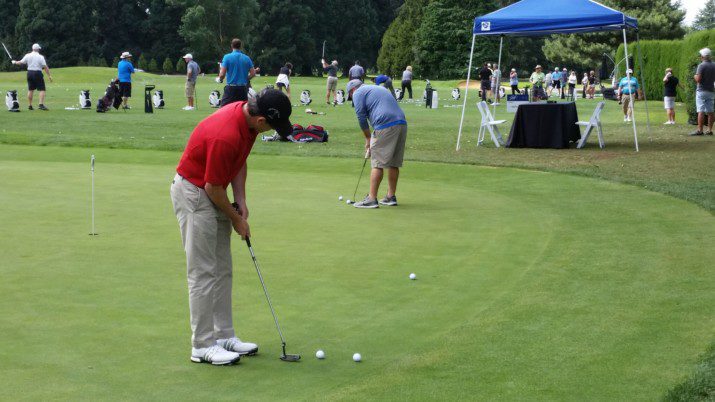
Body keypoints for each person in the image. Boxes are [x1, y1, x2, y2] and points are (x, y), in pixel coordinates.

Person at [170, 89, 293, 366]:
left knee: (222, 269)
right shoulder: (225, 133)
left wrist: (241, 200)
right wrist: (237, 219)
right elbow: (213, 187)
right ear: (261, 120)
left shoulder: (247, 121)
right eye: (273, 126)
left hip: (213, 191)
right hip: (194, 192)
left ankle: (223, 335)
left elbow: (239, 161)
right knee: (203, 272)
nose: (272, 130)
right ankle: (201, 346)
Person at [346, 80, 407, 209]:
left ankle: (371, 198)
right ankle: (391, 196)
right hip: (401, 123)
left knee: (377, 163)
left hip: (385, 124)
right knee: (393, 163)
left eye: (350, 96)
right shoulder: (377, 88)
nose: (352, 98)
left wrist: (368, 138)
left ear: (352, 90)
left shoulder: (358, 93)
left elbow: (361, 118)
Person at [12, 43, 52, 111]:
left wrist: (14, 62)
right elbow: (45, 67)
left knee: (30, 90)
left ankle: (30, 105)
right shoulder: (40, 57)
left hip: (30, 73)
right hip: (38, 73)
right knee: (42, 89)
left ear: (32, 49)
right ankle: (41, 105)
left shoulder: (27, 55)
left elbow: (21, 62)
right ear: (38, 49)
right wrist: (49, 76)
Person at [217, 38, 256, 107]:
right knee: (242, 109)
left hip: (231, 88)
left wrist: (220, 79)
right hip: (243, 89)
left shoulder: (227, 57)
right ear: (240, 46)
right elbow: (253, 73)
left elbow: (222, 74)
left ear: (231, 46)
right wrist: (245, 79)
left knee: (223, 109)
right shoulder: (246, 58)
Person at [691, 47, 715, 136]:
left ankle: (700, 130)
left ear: (702, 56)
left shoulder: (701, 65)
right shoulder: (714, 65)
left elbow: (698, 79)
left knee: (700, 111)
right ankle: (709, 130)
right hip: (711, 90)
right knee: (710, 111)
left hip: (701, 90)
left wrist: (694, 76)